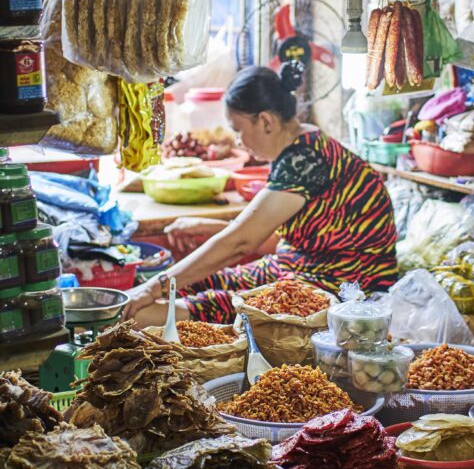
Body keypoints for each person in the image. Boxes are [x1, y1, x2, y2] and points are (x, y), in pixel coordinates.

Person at [123, 62, 398, 326]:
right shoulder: (305, 143)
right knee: (199, 283)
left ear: (265, 121)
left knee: (167, 311)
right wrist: (210, 228)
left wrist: (152, 288)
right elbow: (277, 238)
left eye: (239, 130)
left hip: (341, 289)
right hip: (297, 270)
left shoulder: (304, 160)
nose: (239, 142)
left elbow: (240, 244)